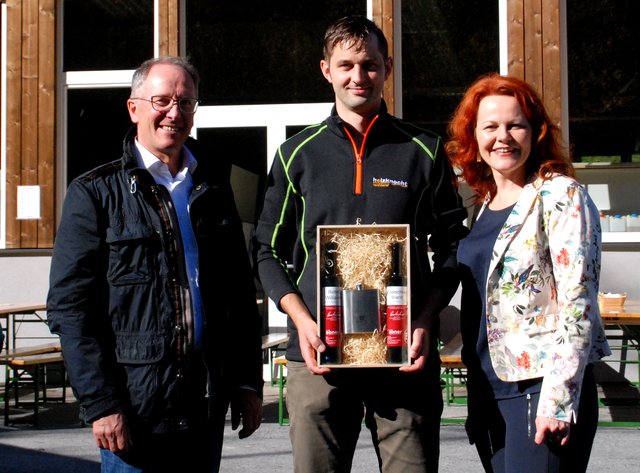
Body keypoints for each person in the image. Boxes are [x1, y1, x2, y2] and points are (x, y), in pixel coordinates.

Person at [254, 15, 468, 473]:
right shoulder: (297, 154)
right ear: (326, 70)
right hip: (319, 359)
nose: (358, 76)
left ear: (387, 67)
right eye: (346, 64)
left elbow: (453, 245)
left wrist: (427, 318)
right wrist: (300, 319)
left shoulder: (423, 150)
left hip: (404, 357)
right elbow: (266, 250)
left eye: (369, 65)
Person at [47, 56, 264, 473]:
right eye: (161, 100)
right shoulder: (95, 193)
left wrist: (245, 381)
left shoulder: (213, 187)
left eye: (185, 103)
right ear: (134, 108)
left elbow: (237, 295)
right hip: (134, 412)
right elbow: (70, 309)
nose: (173, 113)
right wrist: (101, 404)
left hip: (204, 408)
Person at [445, 73, 611, 473]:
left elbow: (578, 303)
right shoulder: (484, 204)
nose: (503, 136)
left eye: (515, 124)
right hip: (489, 390)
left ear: (535, 132)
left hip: (540, 391)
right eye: (490, 126)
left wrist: (557, 400)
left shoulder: (560, 194)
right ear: (473, 136)